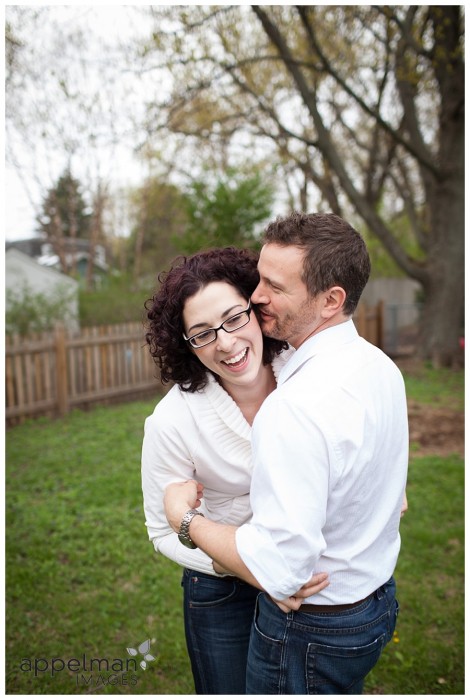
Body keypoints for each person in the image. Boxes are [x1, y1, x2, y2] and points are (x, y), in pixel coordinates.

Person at [164, 212, 409, 695]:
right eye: (260, 278)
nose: (256, 296)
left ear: (330, 300)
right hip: (374, 605)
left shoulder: (293, 408)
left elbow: (279, 570)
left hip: (314, 630)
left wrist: (185, 522)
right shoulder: (380, 367)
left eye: (275, 286)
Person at [141, 246, 329, 695]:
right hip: (220, 591)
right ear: (184, 344)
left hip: (315, 578)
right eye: (202, 333)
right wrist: (252, 571)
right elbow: (162, 531)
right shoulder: (172, 421)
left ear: (257, 308)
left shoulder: (311, 379)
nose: (225, 342)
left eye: (233, 318)